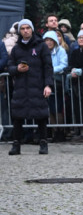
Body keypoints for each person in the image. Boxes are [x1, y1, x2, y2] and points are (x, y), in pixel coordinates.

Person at [7, 20, 54, 155]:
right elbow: (10, 67)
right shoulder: (16, 48)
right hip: (21, 86)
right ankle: (16, 144)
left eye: (28, 28)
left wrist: (48, 85)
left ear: (32, 29)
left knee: (41, 115)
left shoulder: (41, 46)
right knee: (17, 116)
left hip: (37, 85)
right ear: (20, 31)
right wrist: (17, 69)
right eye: (23, 28)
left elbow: (48, 67)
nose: (26, 30)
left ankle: (43, 142)